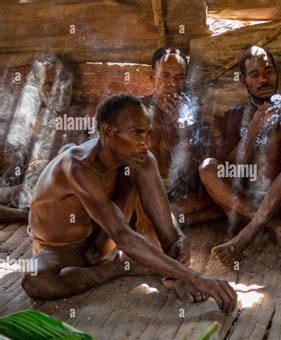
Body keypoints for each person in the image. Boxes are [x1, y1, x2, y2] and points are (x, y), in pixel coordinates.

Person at [21, 94, 237, 313]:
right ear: (108, 132)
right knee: (35, 281)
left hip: (101, 244)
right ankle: (121, 269)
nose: (146, 142)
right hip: (61, 250)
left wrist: (178, 245)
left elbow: (162, 224)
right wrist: (198, 278)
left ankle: (172, 271)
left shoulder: (139, 158)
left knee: (143, 164)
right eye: (137, 133)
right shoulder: (77, 167)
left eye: (148, 133)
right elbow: (122, 235)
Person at [199, 46, 281, 267]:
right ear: (243, 80)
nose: (263, 79)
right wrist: (252, 131)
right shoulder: (235, 114)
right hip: (244, 204)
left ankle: (247, 235)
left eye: (268, 71)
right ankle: (274, 226)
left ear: (277, 73)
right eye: (254, 75)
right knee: (207, 167)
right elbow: (231, 167)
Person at [137, 47, 224, 234]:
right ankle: (174, 219)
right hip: (145, 195)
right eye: (165, 75)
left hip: (179, 195)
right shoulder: (136, 111)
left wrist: (183, 132)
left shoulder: (193, 115)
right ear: (151, 74)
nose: (173, 84)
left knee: (223, 200)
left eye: (180, 77)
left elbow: (189, 174)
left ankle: (176, 219)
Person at [0, 53, 94, 223]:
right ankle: (28, 216)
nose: (57, 90)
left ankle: (31, 214)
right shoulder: (36, 118)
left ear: (71, 80)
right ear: (39, 88)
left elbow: (96, 157)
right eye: (48, 84)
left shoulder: (88, 113)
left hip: (67, 187)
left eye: (62, 81)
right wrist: (8, 185)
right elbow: (21, 162)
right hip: (31, 188)